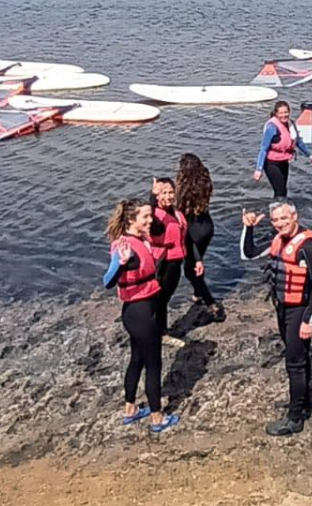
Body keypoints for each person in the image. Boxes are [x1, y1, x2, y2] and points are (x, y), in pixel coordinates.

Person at [240, 200, 312, 436]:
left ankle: (294, 418)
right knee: (299, 355)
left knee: (294, 363)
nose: (280, 224)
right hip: (283, 308)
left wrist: (309, 320)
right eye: (276, 220)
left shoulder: (308, 245)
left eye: (284, 218)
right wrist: (248, 228)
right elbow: (248, 254)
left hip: (300, 310)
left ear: (294, 216)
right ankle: (303, 401)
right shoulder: (278, 240)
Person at [102, 199, 179, 433]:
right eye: (145, 217)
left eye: (150, 215)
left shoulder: (139, 239)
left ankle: (131, 409)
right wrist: (121, 263)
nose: (150, 220)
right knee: (153, 364)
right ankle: (157, 418)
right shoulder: (123, 246)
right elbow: (108, 281)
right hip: (140, 313)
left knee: (137, 359)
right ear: (131, 220)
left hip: (138, 312)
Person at [175, 153, 224, 321]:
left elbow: (182, 216)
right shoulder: (205, 182)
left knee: (190, 270)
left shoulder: (182, 190)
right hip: (207, 227)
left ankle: (210, 302)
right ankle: (197, 294)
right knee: (198, 263)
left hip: (192, 231)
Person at [149, 177, 189, 346]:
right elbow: (153, 224)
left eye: (171, 192)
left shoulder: (177, 213)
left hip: (176, 262)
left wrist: (197, 261)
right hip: (163, 262)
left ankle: (157, 329)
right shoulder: (155, 216)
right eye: (163, 192)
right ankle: (159, 332)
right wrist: (152, 196)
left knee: (165, 297)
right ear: (157, 196)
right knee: (160, 298)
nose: (168, 196)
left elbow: (186, 238)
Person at [252, 101, 312, 199]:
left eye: (286, 112)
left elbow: (298, 141)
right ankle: (279, 207)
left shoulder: (291, 124)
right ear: (276, 113)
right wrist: (258, 169)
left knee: (282, 190)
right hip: (271, 163)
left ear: (289, 112)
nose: (284, 115)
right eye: (281, 113)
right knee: (280, 191)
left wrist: (309, 155)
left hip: (283, 162)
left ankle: (278, 206)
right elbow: (263, 149)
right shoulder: (272, 128)